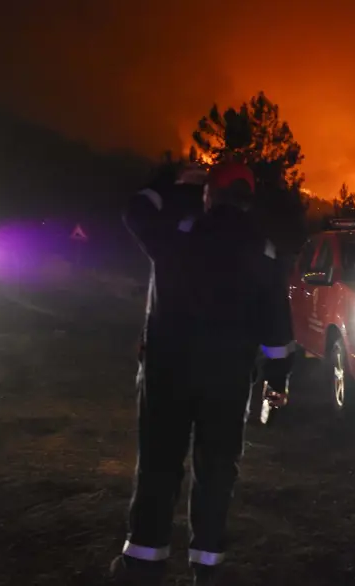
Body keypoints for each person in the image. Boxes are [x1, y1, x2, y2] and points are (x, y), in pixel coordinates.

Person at [110, 160, 295, 586]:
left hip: (167, 374)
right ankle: (208, 568)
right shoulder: (265, 252)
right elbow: (277, 331)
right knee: (217, 470)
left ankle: (143, 564)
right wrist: (278, 377)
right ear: (248, 201)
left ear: (208, 195)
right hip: (228, 381)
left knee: (159, 464)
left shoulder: (177, 235)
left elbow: (136, 212)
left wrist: (172, 182)